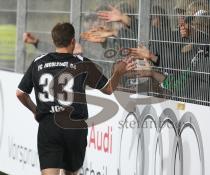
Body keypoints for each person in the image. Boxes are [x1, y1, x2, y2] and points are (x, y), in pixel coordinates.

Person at [16, 22, 135, 175]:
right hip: (74, 126)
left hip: (49, 125)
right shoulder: (82, 63)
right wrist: (118, 72)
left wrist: (35, 110)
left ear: (53, 41)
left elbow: (20, 93)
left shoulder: (39, 62)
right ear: (73, 41)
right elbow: (109, 89)